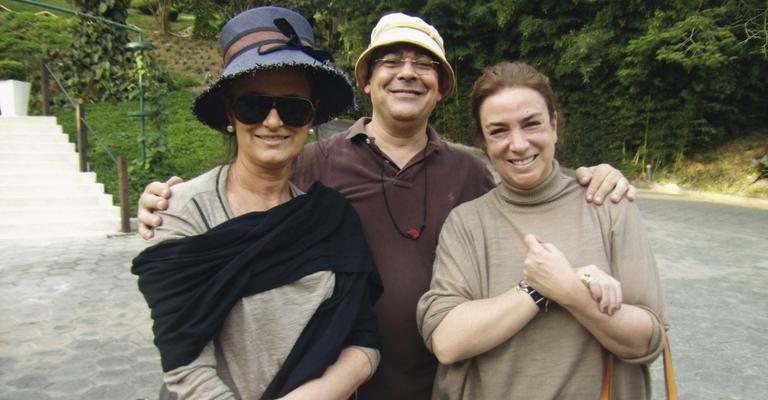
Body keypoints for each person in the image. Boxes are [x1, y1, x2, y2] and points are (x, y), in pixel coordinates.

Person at [136, 13, 637, 399]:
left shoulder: (471, 173)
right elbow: (236, 197)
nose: (407, 74)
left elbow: (530, 186)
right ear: (368, 82)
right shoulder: (313, 164)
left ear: (441, 89)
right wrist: (166, 200)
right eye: (390, 62)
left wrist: (589, 178)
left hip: (443, 381)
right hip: (346, 385)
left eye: (423, 64)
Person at [130, 7, 382, 400]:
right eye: (253, 105)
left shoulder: (330, 219)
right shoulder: (184, 212)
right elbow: (185, 366)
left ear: (311, 118)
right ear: (230, 113)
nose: (273, 121)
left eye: (294, 108)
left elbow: (364, 339)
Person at [416, 61, 667, 400]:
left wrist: (569, 289)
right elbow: (447, 342)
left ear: (554, 125)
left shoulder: (608, 205)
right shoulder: (467, 223)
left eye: (531, 124)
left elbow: (646, 341)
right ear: (483, 141)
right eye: (499, 131)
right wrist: (537, 289)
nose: (518, 144)